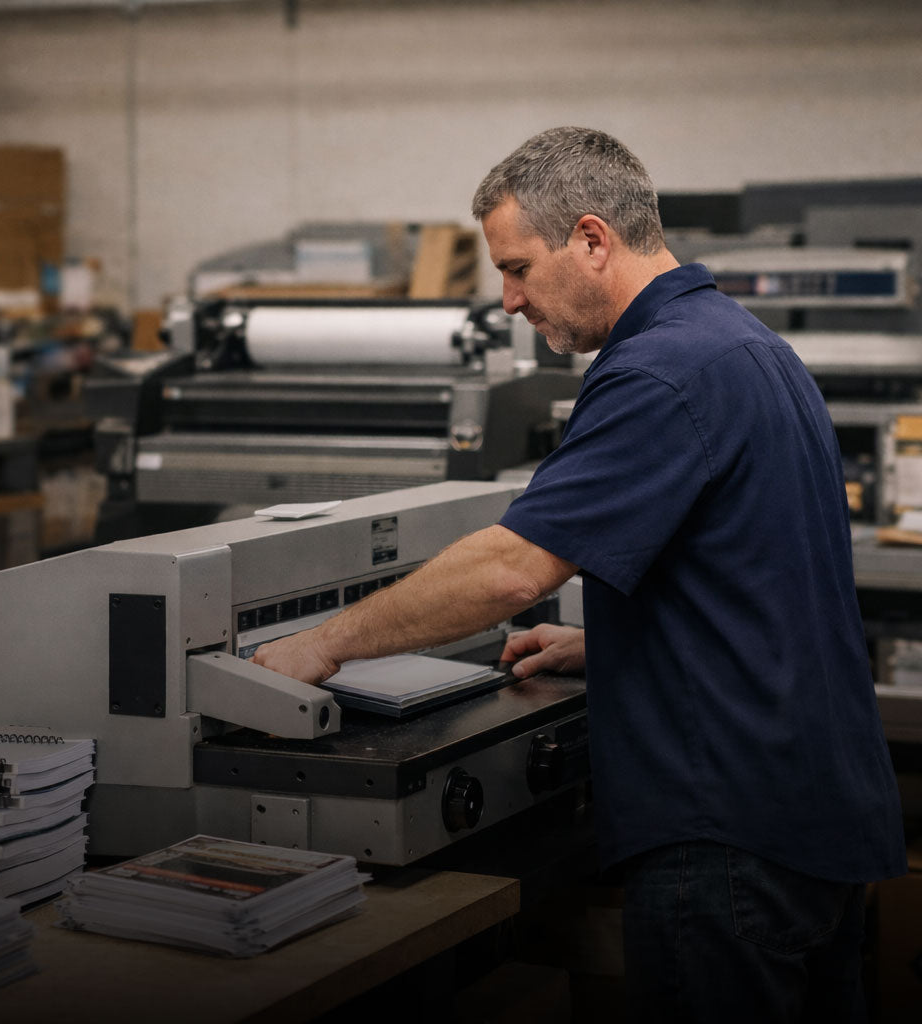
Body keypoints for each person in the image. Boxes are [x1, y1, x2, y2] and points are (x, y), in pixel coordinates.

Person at [251, 126, 905, 1022]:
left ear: (592, 239)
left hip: (725, 840)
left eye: (518, 268)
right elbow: (764, 579)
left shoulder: (659, 372)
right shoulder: (743, 347)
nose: (510, 300)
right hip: (814, 815)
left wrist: (321, 645)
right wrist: (618, 644)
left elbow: (510, 573)